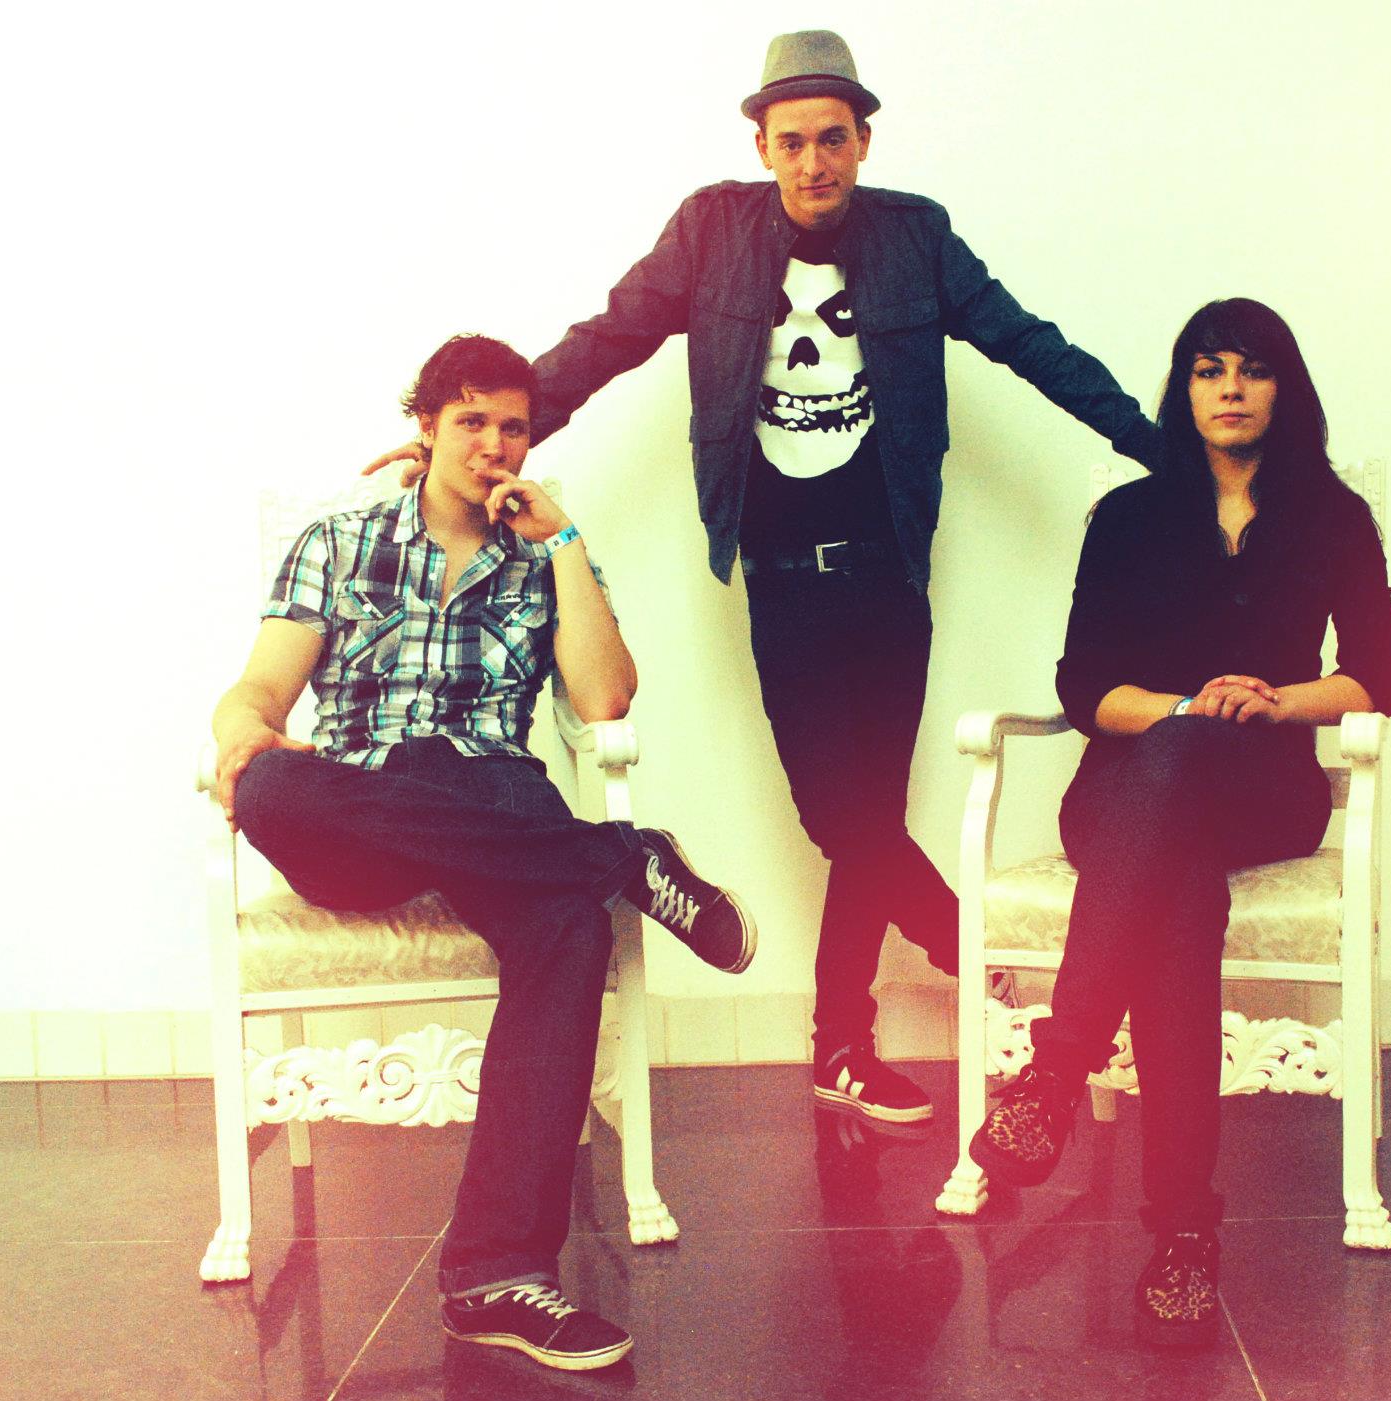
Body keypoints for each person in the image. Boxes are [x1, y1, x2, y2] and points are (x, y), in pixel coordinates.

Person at [367, 31, 1163, 1124]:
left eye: (833, 139)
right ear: (762, 146)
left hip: (888, 576)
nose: (813, 162)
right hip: (782, 582)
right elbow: (604, 342)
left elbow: (1033, 346)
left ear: (863, 140)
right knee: (842, 820)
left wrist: (1159, 449)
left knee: (864, 819)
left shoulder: (917, 238)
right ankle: (975, 952)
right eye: (792, 142)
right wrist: (486, 440)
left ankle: (841, 1046)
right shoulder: (712, 233)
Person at [213, 334, 756, 1372]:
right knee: (273, 783)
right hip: (366, 803)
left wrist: (565, 543)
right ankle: (617, 857)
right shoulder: (340, 539)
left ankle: (495, 1276)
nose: (494, 445)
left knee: (567, 933)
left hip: (494, 795)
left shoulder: (546, 553)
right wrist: (239, 729)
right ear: (425, 426)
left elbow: (605, 698)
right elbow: (260, 692)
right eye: (471, 421)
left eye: (513, 427)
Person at [965, 298, 1391, 1349]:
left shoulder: (1332, 515)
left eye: (1252, 369)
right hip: (1129, 788)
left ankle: (1058, 1065)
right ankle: (1181, 1236)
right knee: (1176, 897)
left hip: (1264, 789)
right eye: (1209, 370)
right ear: (1185, 388)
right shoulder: (1128, 516)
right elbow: (1083, 687)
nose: (1230, 388)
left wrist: (1275, 701)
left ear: (1283, 388)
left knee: (1176, 826)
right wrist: (1182, 711)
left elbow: (1381, 677)